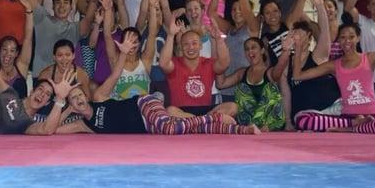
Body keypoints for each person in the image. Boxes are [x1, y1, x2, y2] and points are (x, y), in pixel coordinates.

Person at [56, 34, 259, 135]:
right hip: (148, 128)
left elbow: (116, 73)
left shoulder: (99, 97)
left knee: (170, 128)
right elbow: (51, 130)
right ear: (72, 105)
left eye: (79, 95)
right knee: (178, 129)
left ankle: (222, 123)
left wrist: (124, 53)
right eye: (74, 99)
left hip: (144, 105)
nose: (79, 99)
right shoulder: (83, 125)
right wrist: (61, 102)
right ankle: (238, 130)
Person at [12, 0, 98, 79]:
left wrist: (93, 0)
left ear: (71, 7)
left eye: (65, 2)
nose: (62, 6)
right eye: (58, 2)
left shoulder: (75, 28)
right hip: (42, 82)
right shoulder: (42, 19)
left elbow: (88, 19)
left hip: (67, 82)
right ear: (52, 5)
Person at [291, 23, 375, 133]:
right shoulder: (334, 65)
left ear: (358, 38)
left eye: (351, 37)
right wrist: (298, 47)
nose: (347, 41)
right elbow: (297, 76)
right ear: (338, 40)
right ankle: (354, 126)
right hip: (348, 118)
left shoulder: (371, 58)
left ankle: (352, 129)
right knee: (301, 119)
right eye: (343, 37)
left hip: (373, 117)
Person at [283, 0, 341, 126]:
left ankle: (346, 122)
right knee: (305, 121)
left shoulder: (317, 56)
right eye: (294, 34)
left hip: (331, 107)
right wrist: (288, 121)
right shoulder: (286, 62)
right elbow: (286, 94)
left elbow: (325, 36)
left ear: (309, 37)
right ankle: (346, 124)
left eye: (301, 35)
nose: (297, 38)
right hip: (306, 116)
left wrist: (320, 7)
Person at [159, 17, 236, 118]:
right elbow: (163, 64)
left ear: (200, 46)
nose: (191, 47)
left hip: (205, 111)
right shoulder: (175, 63)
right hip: (182, 112)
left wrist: (218, 39)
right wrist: (170, 35)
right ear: (181, 47)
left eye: (194, 43)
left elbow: (224, 63)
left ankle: (198, 122)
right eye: (186, 44)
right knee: (170, 111)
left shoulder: (208, 63)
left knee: (232, 107)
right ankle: (203, 122)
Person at [216, 37, 291, 131]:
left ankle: (263, 126)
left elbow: (280, 66)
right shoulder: (242, 72)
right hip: (248, 123)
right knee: (242, 89)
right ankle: (251, 127)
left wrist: (285, 50)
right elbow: (221, 84)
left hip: (269, 124)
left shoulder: (270, 72)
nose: (250, 51)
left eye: (253, 47)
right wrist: (222, 59)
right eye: (247, 49)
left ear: (262, 50)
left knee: (270, 89)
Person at [208, 0, 260, 102]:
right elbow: (211, 13)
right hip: (227, 84)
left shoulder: (251, 28)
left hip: (245, 84)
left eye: (240, 9)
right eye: (234, 9)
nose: (237, 11)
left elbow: (248, 12)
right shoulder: (229, 28)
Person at [102, 0, 157, 100]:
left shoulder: (145, 61)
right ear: (121, 43)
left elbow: (152, 34)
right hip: (122, 108)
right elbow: (107, 35)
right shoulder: (115, 60)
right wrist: (108, 10)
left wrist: (152, 8)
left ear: (139, 43)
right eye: (128, 41)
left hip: (142, 107)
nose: (131, 45)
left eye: (134, 42)